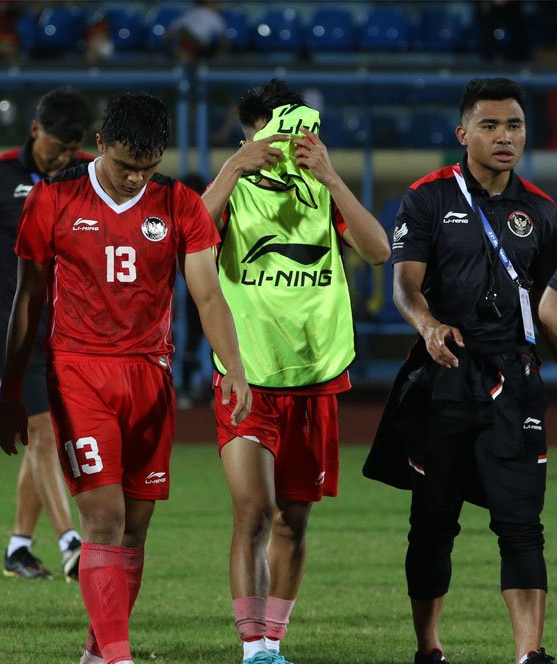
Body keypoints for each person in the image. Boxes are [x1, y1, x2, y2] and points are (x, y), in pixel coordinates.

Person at [0, 92, 252, 664]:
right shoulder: (54, 199)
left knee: (135, 527)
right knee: (104, 518)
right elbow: (28, 298)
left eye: (147, 167)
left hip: (150, 377)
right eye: (124, 165)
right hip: (78, 372)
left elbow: (206, 292)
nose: (135, 178)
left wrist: (234, 367)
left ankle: (97, 647)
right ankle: (119, 656)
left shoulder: (179, 203)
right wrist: (12, 387)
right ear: (102, 144)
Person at [365, 78, 556, 664]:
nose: (505, 137)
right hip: (444, 375)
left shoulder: (542, 211)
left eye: (515, 126)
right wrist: (428, 327)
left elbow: (542, 299)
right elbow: (404, 285)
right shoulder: (426, 198)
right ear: (463, 133)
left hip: (515, 379)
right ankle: (430, 649)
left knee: (522, 520)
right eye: (491, 126)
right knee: (432, 521)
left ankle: (530, 654)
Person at [201, 79, 390, 664]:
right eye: (279, 133)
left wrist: (331, 176)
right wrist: (234, 166)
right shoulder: (232, 191)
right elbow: (184, 237)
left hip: (313, 381)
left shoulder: (320, 190)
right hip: (246, 377)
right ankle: (251, 647)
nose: (292, 144)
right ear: (253, 134)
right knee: (253, 512)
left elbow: (378, 250)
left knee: (292, 522)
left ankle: (273, 644)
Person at [0, 87, 93, 581]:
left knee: (49, 435)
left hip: (76, 326)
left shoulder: (87, 174)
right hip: (14, 327)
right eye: (55, 147)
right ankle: (70, 541)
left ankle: (19, 546)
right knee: (42, 430)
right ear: (35, 129)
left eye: (70, 150)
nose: (62, 158)